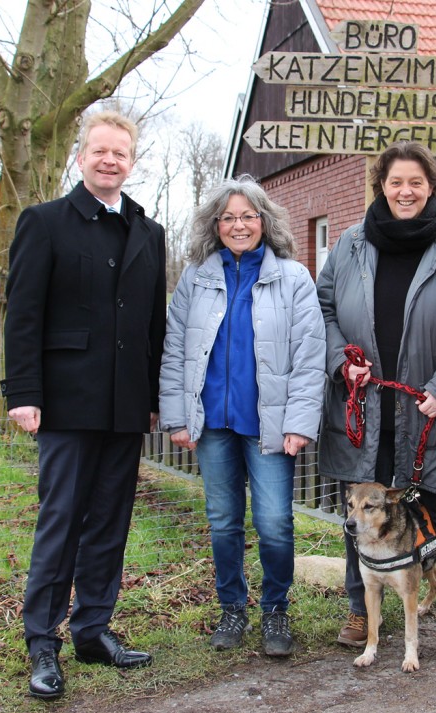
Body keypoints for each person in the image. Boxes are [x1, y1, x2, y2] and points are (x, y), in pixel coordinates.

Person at [2, 111, 167, 700]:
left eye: (120, 153)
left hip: (126, 409)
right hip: (66, 405)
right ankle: (42, 640)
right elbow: (22, 316)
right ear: (81, 157)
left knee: (110, 525)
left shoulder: (148, 231)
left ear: (131, 161)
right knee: (62, 522)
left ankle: (93, 629)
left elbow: (154, 325)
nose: (109, 161)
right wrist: (23, 394)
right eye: (99, 151)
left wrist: (152, 399)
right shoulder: (45, 223)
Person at [318, 141, 436, 661]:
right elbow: (323, 310)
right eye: (396, 182)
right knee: (361, 510)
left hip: (430, 405)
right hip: (365, 406)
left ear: (433, 186)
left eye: (416, 182)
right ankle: (360, 607)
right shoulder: (349, 245)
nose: (406, 191)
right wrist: (340, 363)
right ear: (381, 186)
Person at [159, 175, 325, 657]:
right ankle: (232, 606)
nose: (238, 225)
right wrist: (177, 417)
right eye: (228, 217)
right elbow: (175, 350)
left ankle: (276, 609)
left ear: (264, 222)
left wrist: (299, 421)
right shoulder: (196, 276)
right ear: (215, 225)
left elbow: (311, 356)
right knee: (224, 520)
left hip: (269, 426)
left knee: (273, 521)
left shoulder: (292, 277)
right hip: (211, 424)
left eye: (248, 216)